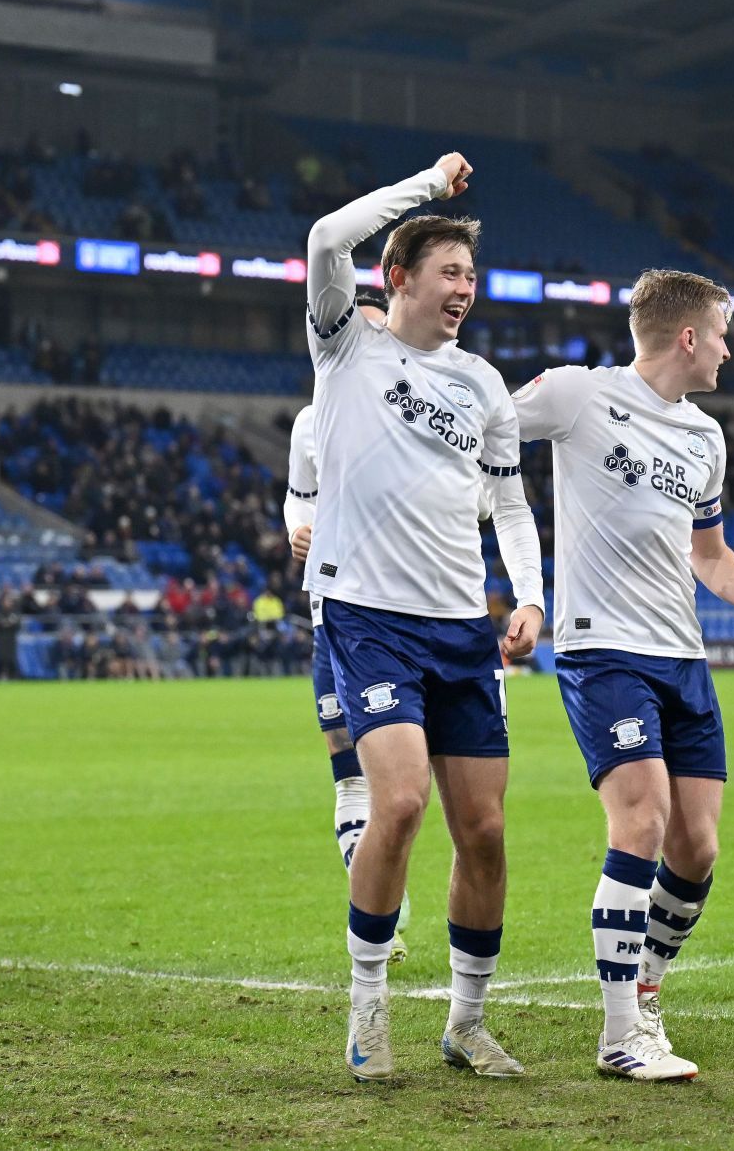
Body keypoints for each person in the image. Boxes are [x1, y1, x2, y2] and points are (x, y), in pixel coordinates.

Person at [513, 269, 734, 1081]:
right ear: (687, 337)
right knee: (639, 823)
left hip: (683, 657)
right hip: (602, 649)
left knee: (698, 847)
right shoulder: (576, 394)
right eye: (721, 333)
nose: (727, 348)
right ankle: (618, 1037)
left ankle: (644, 987)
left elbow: (707, 555)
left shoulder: (705, 438)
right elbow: (482, 424)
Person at [304, 151, 544, 1082]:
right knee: (398, 803)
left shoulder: (483, 385)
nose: (465, 291)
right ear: (398, 275)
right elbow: (328, 237)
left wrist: (527, 594)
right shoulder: (346, 344)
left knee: (482, 830)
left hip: (459, 624)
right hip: (366, 615)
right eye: (450, 272)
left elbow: (511, 506)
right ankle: (368, 1008)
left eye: (473, 278)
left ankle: (466, 1022)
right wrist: (425, 190)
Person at [283, 289, 413, 965]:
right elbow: (297, 497)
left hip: (402, 620)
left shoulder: (408, 414)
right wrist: (296, 533)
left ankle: (384, 900)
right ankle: (381, 916)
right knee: (350, 777)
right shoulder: (311, 423)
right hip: (330, 619)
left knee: (408, 785)